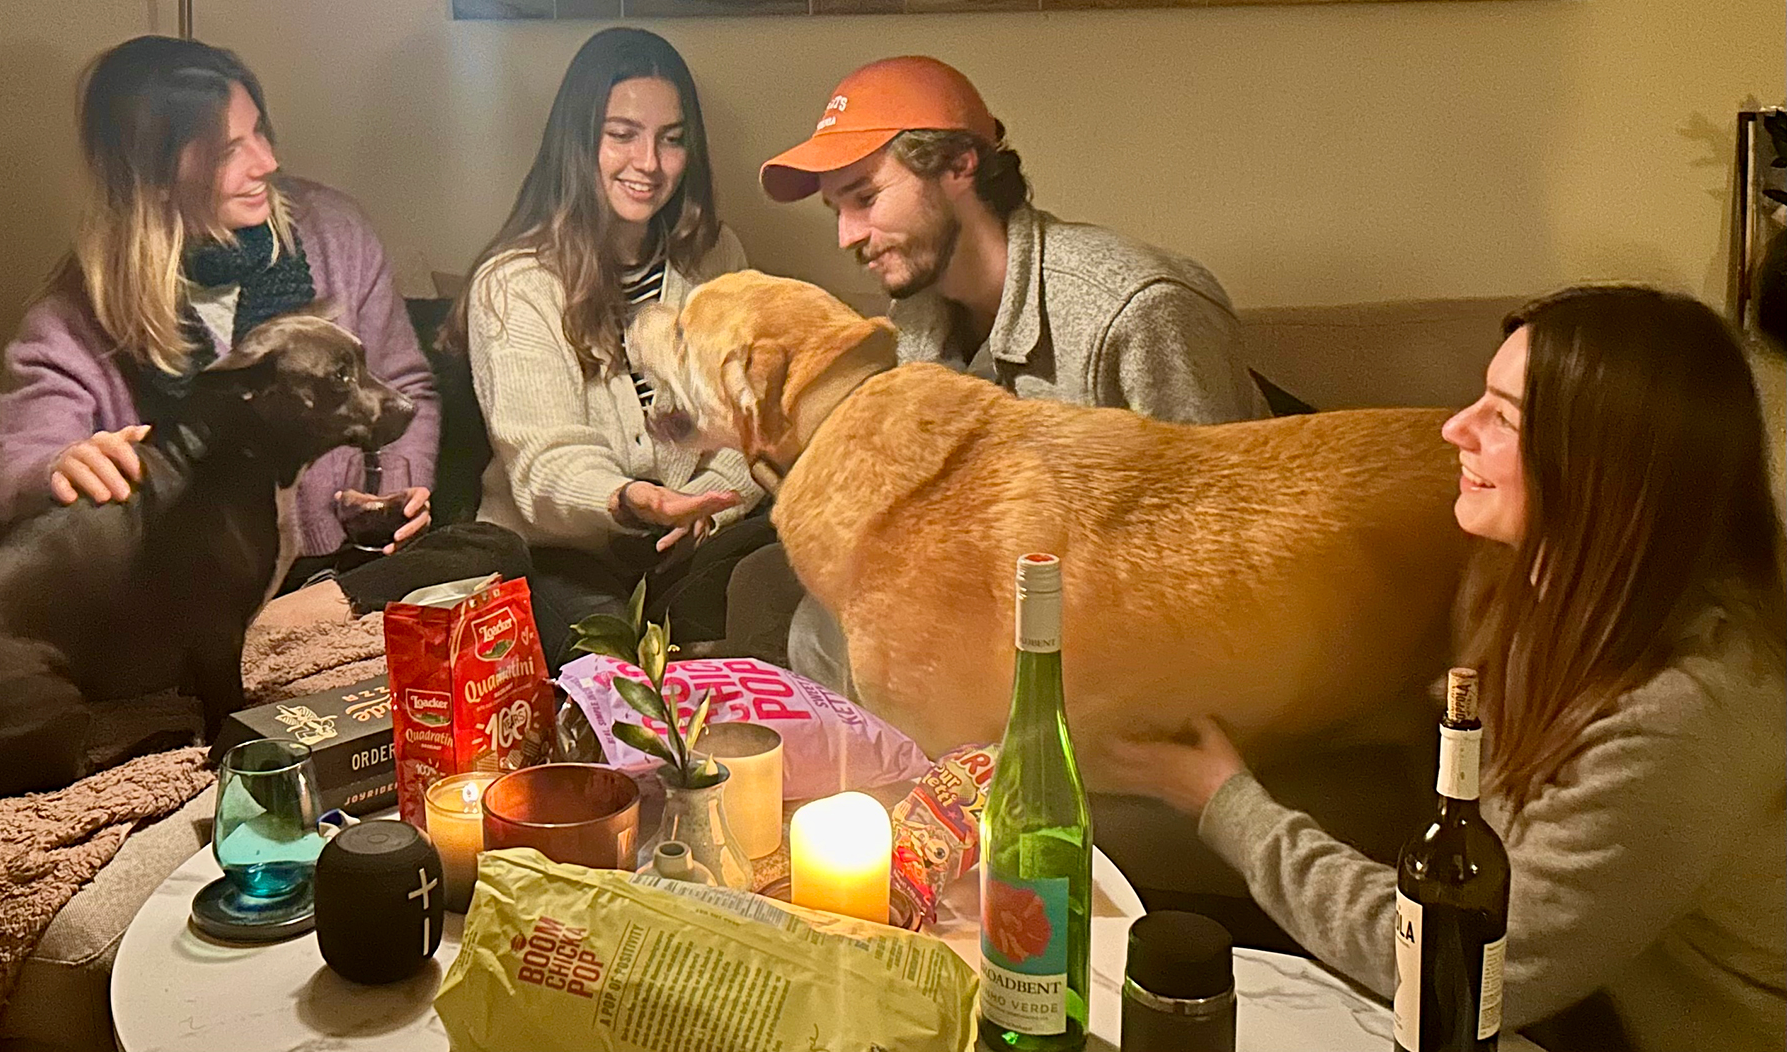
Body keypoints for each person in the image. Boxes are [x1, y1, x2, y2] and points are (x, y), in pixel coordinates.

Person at [1103, 286, 1787, 1052]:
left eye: (1503, 417)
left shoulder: (1690, 716)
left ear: (1600, 467)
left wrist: (1227, 804)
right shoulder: (1524, 581)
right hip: (1569, 989)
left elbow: (1463, 955)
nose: (1454, 428)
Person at [760, 54, 1271, 688]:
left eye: (865, 197)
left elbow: (1224, 556)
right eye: (835, 209)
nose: (846, 235)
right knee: (800, 609)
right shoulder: (916, 314)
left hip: (1134, 635)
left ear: (959, 165)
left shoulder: (1138, 310)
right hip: (1010, 605)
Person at [0, 35, 525, 625]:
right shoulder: (76, 312)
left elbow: (405, 384)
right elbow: (14, 464)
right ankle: (262, 629)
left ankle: (280, 622)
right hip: (189, 581)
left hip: (340, 560)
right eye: (228, 150)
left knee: (494, 548)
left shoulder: (334, 233)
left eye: (261, 131)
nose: (266, 162)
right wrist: (58, 466)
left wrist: (392, 490)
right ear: (154, 173)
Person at [450, 27, 769, 661]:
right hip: (560, 553)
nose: (648, 163)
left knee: (781, 594)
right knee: (619, 671)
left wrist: (713, 505)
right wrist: (634, 501)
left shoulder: (716, 257)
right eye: (621, 135)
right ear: (578, 140)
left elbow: (749, 418)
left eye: (671, 140)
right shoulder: (517, 283)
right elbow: (543, 464)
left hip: (693, 536)